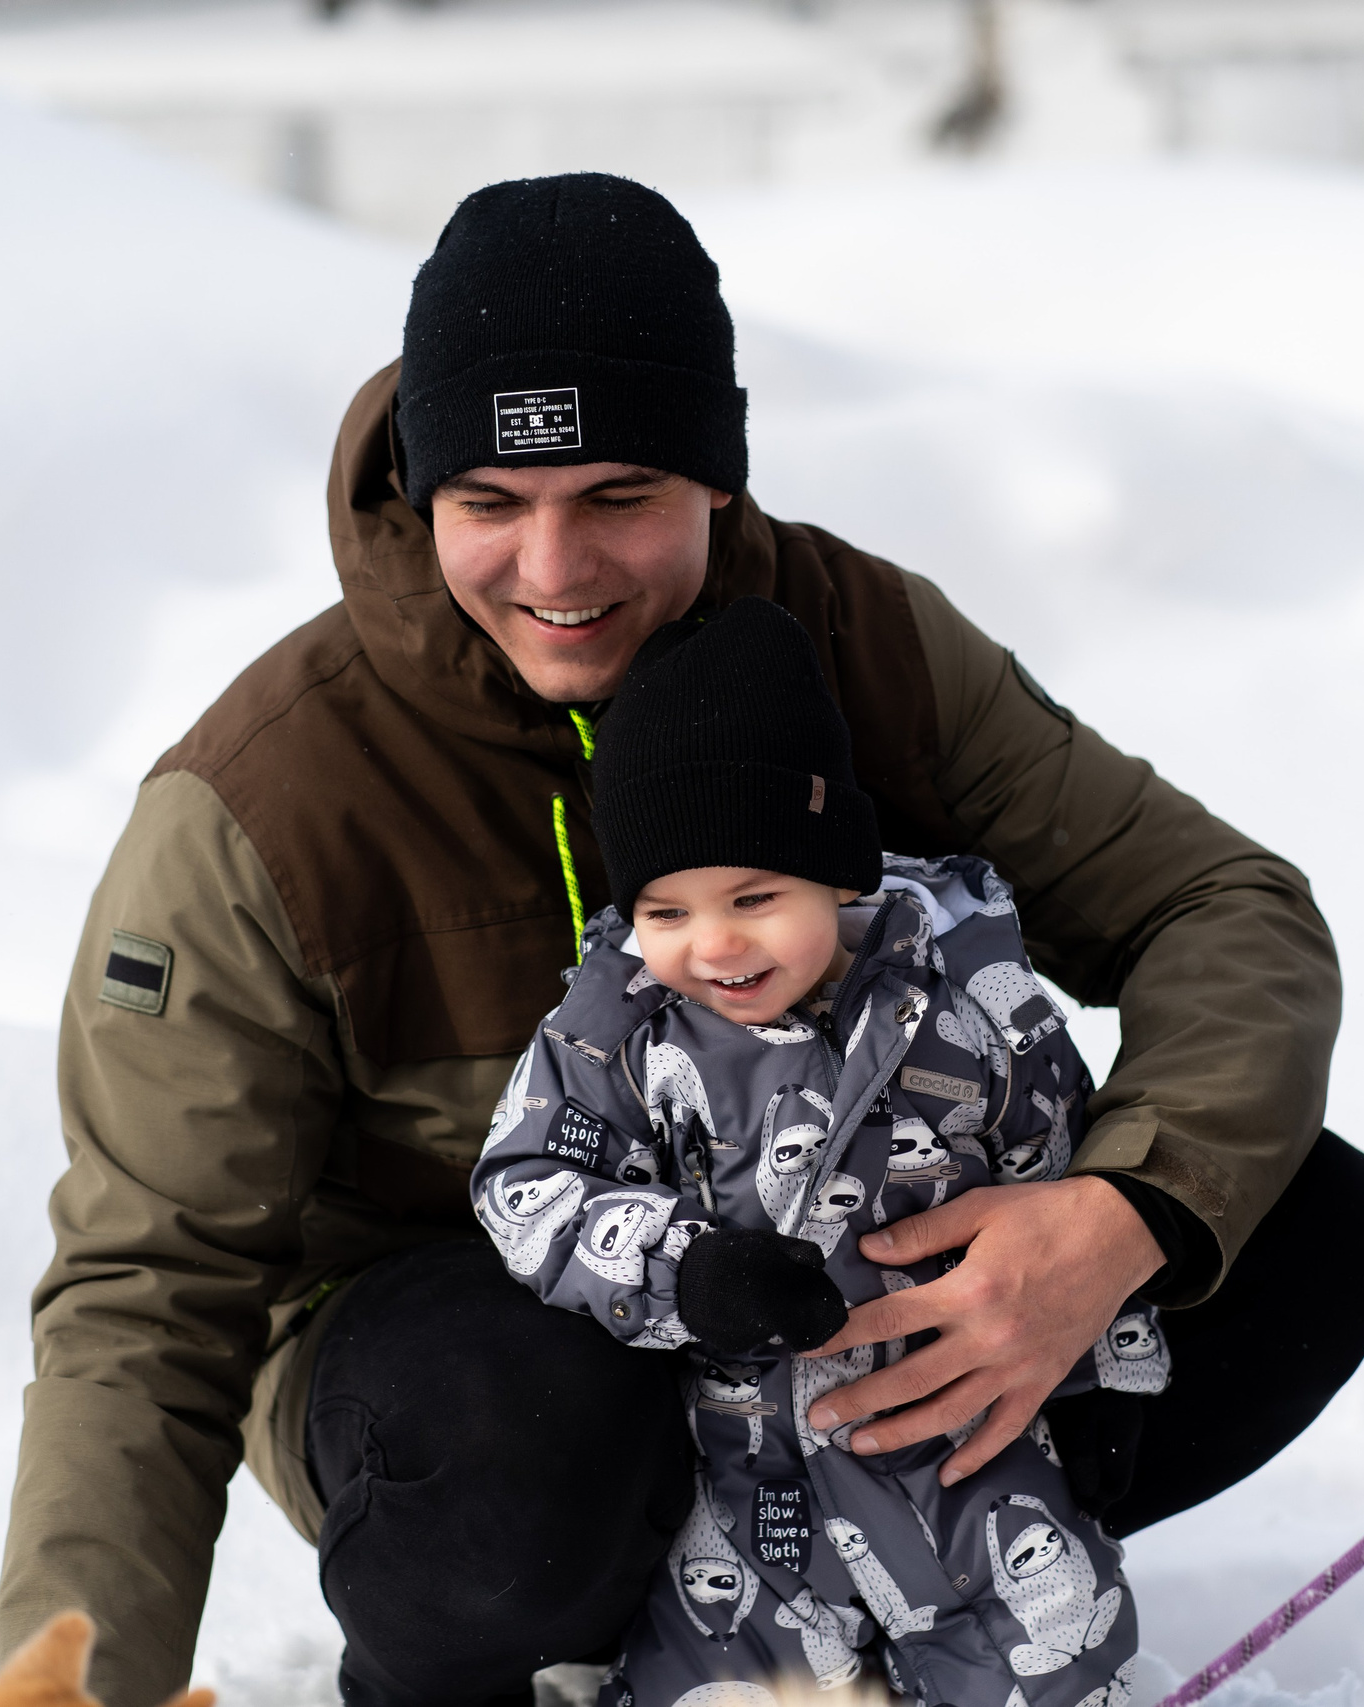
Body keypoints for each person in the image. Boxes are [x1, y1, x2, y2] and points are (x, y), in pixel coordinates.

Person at [0, 171, 1364, 1707]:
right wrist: (72, 1682)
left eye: (618, 495)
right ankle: (518, 1653)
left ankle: (940, 1584)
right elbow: (146, 1289)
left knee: (1303, 1221)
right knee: (527, 1410)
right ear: (420, 489)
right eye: (490, 503)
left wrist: (1119, 1210)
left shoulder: (863, 642)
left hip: (840, 1299)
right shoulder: (266, 800)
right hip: (483, 1363)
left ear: (717, 476)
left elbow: (1222, 905)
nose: (555, 571)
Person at [476, 595, 1163, 1707]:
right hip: (742, 1473)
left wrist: (1106, 1375)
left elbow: (1064, 1176)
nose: (714, 943)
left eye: (754, 897)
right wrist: (685, 1269)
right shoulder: (617, 1028)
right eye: (665, 910)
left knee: (1054, 1650)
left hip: (964, 1438)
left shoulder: (971, 1007)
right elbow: (525, 1184)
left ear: (838, 874)